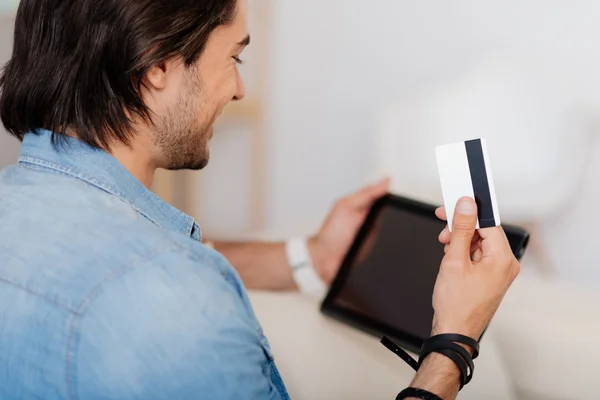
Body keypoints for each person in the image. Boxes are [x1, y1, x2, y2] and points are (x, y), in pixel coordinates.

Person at [0, 0, 520, 399]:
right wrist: (452, 343)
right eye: (233, 56)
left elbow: (113, 260)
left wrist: (308, 258)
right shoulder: (185, 306)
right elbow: (150, 285)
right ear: (155, 66)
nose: (239, 87)